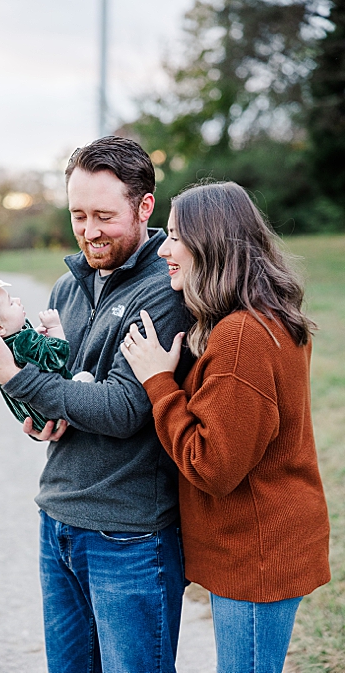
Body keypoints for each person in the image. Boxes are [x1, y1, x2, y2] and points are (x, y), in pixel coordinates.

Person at [0, 135, 192, 672]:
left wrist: (13, 376)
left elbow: (125, 409)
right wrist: (40, 416)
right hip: (57, 518)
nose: (88, 231)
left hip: (129, 533)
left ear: (144, 206)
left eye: (104, 215)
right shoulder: (66, 287)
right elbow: (57, 384)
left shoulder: (164, 290)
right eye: (78, 214)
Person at [121, 181, 330, 673]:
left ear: (211, 243)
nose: (164, 248)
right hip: (258, 544)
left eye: (175, 236)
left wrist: (157, 382)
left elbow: (211, 464)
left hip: (256, 553)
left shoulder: (242, 335)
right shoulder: (258, 319)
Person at [0, 274, 94, 433]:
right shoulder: (23, 341)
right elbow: (57, 358)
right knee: (86, 377)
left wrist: (36, 336)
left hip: (33, 416)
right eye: (11, 303)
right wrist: (55, 328)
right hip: (53, 411)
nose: (18, 300)